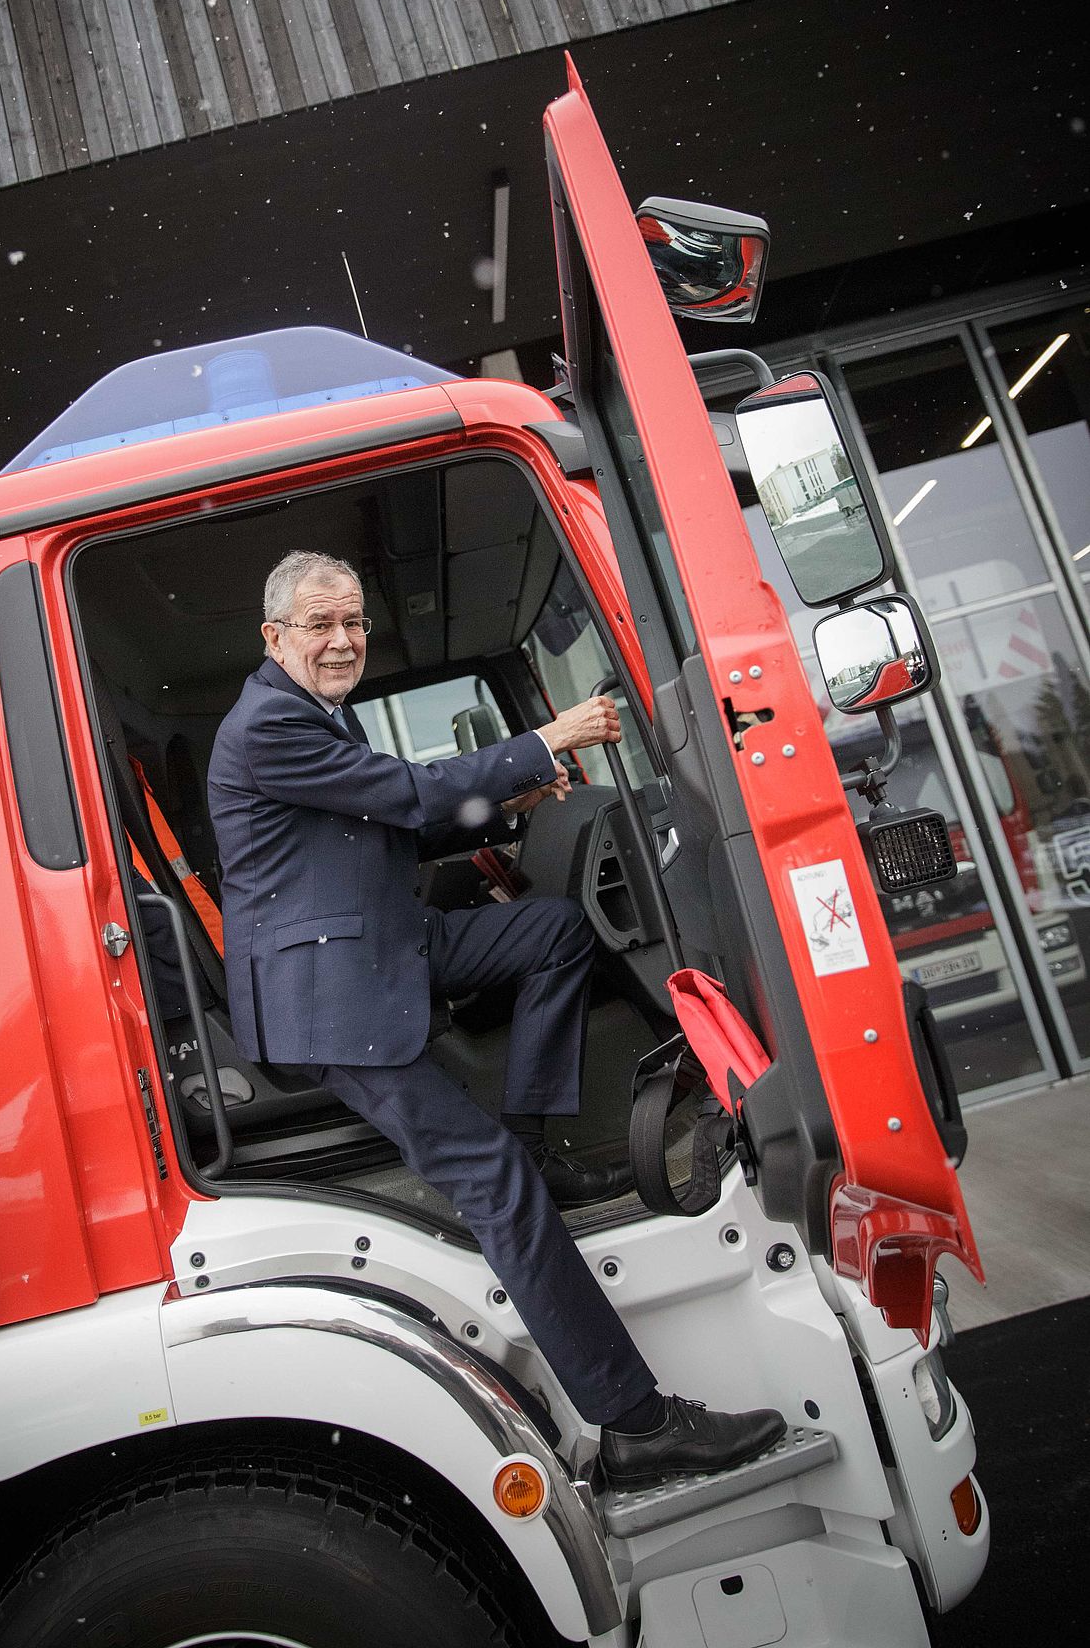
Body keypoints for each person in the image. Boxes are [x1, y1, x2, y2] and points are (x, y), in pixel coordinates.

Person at [207, 549, 785, 1485]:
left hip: (382, 944)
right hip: (332, 997)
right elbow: (408, 795)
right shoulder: (268, 725)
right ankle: (636, 1426)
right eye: (320, 625)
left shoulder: (311, 710)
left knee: (554, 930)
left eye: (353, 622)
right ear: (274, 637)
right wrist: (548, 737)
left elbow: (397, 823)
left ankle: (527, 1129)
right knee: (496, 1188)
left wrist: (510, 802)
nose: (343, 641)